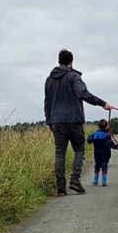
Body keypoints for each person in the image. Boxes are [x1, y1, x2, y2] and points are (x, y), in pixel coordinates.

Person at [44, 48, 113, 197]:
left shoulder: (49, 80)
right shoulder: (73, 76)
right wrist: (103, 104)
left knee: (59, 154)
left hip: (57, 121)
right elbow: (84, 94)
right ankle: (75, 180)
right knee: (79, 150)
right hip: (74, 120)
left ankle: (61, 188)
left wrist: (50, 122)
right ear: (71, 62)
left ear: (59, 61)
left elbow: (47, 102)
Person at [87, 119, 118, 186]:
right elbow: (111, 144)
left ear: (98, 126)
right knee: (104, 166)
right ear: (107, 126)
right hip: (105, 154)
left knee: (97, 166)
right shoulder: (107, 135)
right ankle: (104, 182)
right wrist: (117, 147)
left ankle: (95, 181)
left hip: (97, 154)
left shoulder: (95, 135)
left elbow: (89, 140)